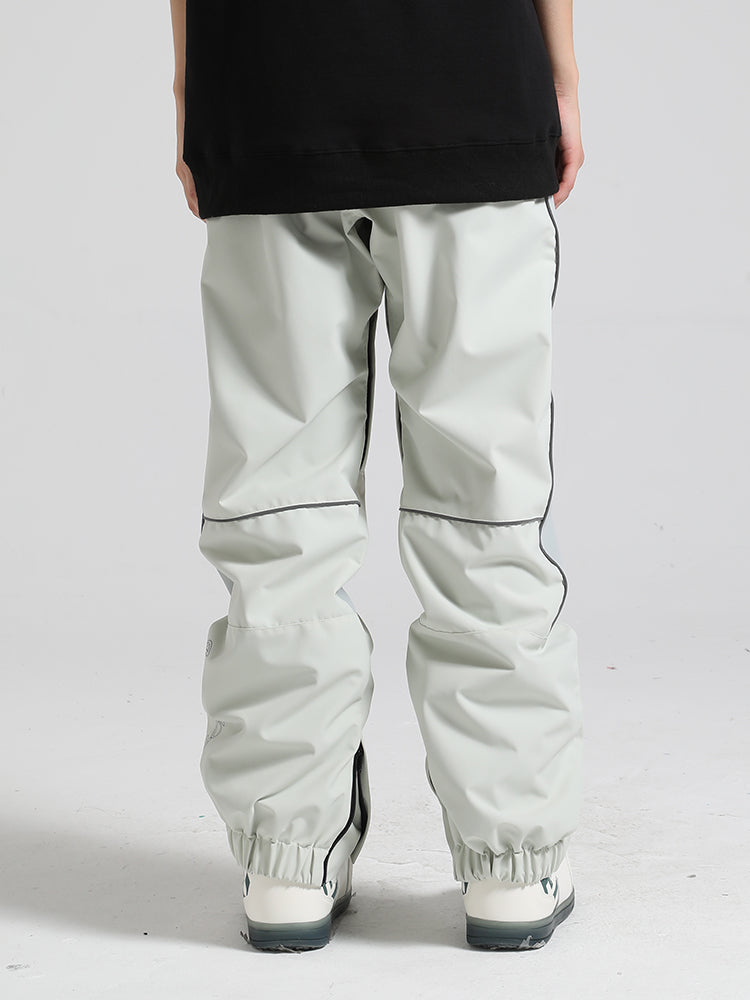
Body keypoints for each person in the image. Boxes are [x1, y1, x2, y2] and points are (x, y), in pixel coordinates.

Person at [169, 0, 585, 953]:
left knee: (276, 504)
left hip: (264, 85)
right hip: (472, 75)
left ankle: (288, 864)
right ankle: (510, 866)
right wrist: (561, 78)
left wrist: (195, 89)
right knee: (485, 500)